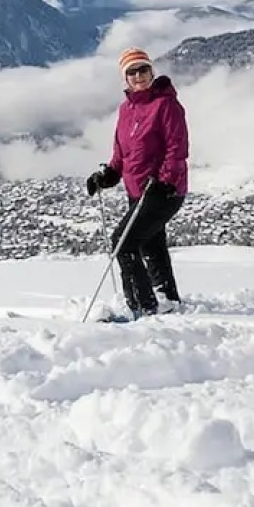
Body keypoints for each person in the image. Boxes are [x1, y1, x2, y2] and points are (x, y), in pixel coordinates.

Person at [86, 46, 190, 319]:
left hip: (163, 190)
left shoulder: (166, 105)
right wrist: (108, 175)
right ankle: (167, 298)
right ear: (125, 78)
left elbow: (177, 148)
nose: (138, 75)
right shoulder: (126, 109)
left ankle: (142, 307)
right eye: (132, 72)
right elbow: (122, 153)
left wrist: (165, 182)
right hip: (139, 190)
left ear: (152, 71)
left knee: (123, 242)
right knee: (151, 243)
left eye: (143, 69)